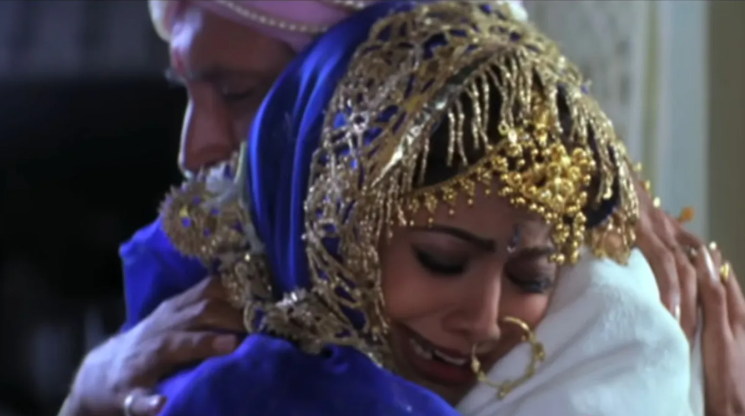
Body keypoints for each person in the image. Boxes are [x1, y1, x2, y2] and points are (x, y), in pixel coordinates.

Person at [59, 1, 745, 415]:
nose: (194, 150)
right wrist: (94, 386)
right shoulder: (230, 278)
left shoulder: (600, 314)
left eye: (240, 92)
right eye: (442, 260)